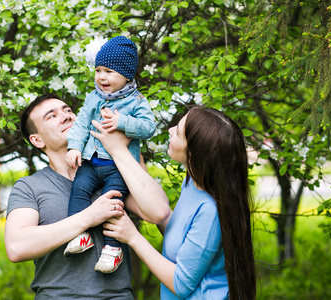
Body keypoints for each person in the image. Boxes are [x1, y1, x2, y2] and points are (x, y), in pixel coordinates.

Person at [4, 93, 169, 299]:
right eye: (51, 116)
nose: (66, 116)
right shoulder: (30, 186)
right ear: (37, 140)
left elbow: (159, 212)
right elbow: (16, 247)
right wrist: (89, 217)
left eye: (68, 111)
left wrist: (119, 151)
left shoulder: (116, 171)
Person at [91, 106, 257, 299]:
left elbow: (181, 284)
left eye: (177, 133)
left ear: (194, 153)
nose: (170, 131)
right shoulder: (195, 184)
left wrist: (133, 237)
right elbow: (180, 236)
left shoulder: (210, 211)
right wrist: (136, 183)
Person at [64, 36, 156, 274]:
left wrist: (122, 122)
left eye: (109, 71)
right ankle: (81, 236)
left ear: (126, 75)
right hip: (91, 161)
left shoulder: (136, 101)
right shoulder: (94, 97)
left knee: (113, 201)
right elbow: (82, 124)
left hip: (119, 166)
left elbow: (148, 127)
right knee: (79, 190)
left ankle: (113, 249)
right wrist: (74, 147)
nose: (101, 77)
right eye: (98, 70)